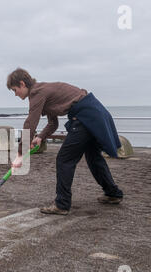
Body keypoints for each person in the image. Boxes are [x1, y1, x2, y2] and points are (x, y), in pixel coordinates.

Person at [7, 68, 123, 215]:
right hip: (94, 115)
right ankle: (113, 193)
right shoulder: (43, 90)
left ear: (22, 84)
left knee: (64, 159)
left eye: (14, 90)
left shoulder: (37, 93)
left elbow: (30, 123)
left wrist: (20, 154)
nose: (15, 94)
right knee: (93, 157)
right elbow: (53, 123)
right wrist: (41, 136)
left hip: (86, 117)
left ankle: (62, 204)